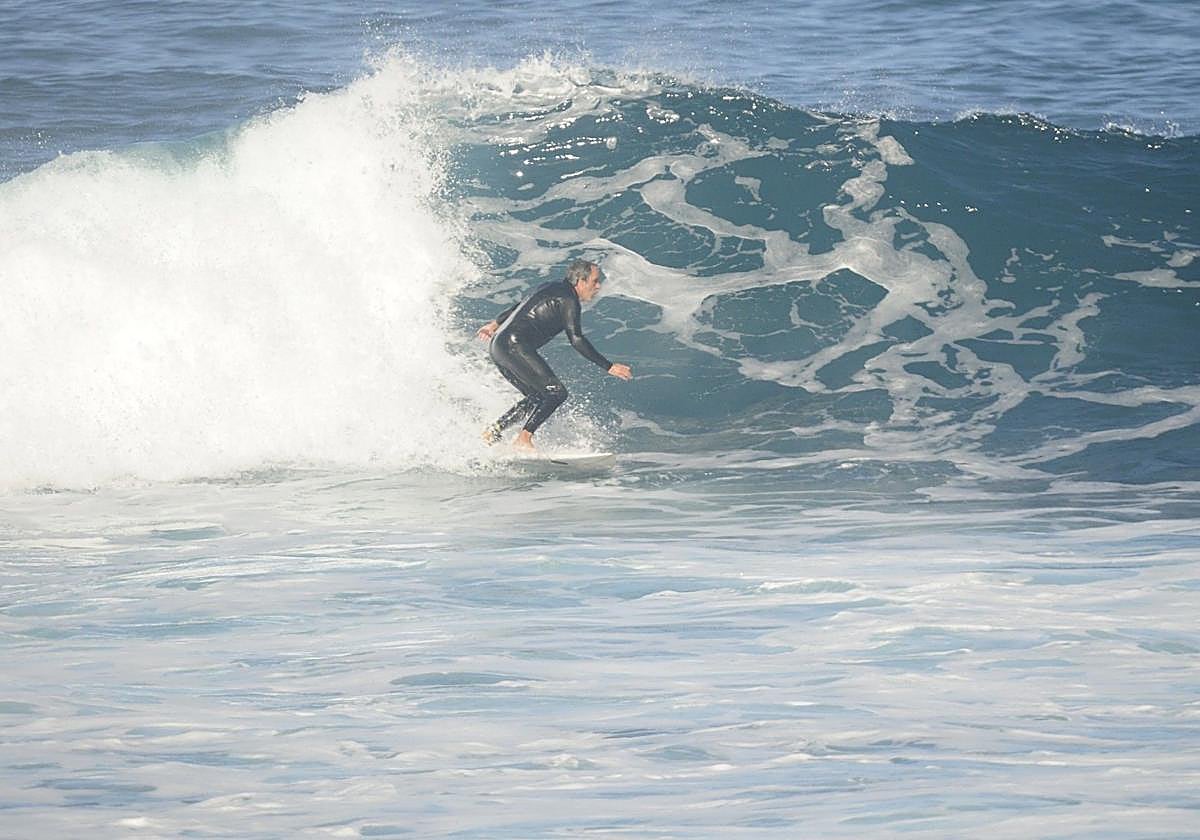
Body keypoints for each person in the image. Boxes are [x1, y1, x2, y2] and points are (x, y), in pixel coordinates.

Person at [477, 259, 632, 450]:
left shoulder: (551, 286)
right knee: (556, 393)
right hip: (514, 346)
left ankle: (493, 431)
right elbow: (576, 339)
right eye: (594, 281)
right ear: (580, 282)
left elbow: (518, 305)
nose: (598, 286)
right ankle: (524, 439)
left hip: (498, 346)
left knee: (536, 397)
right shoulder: (569, 300)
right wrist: (609, 366)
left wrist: (494, 324)